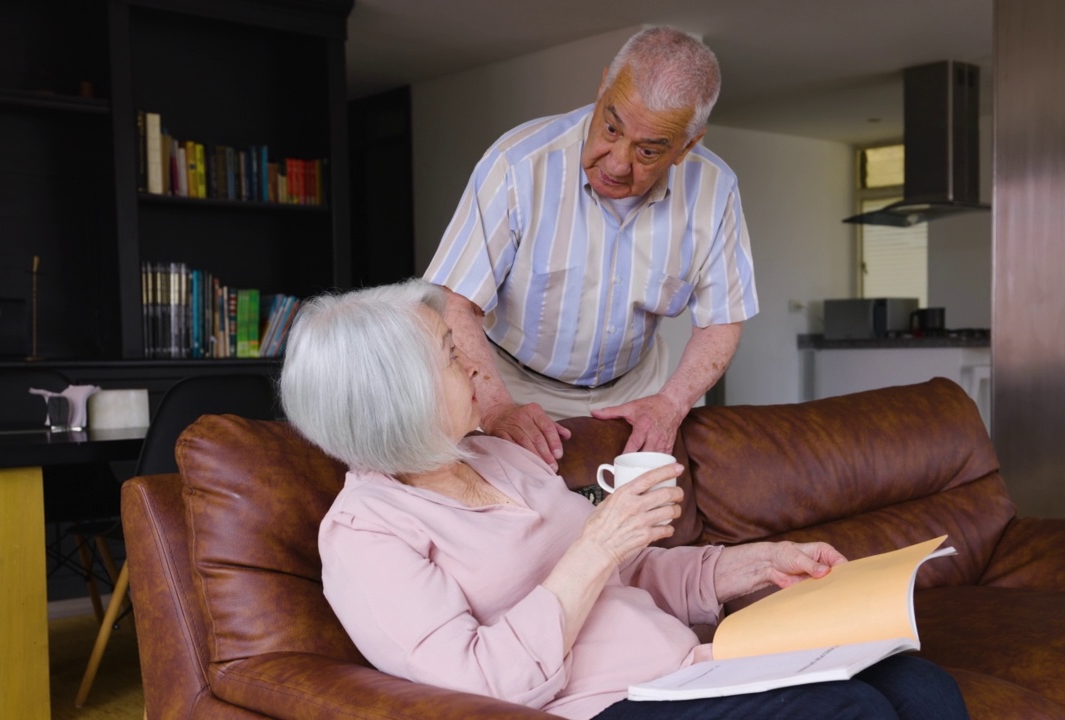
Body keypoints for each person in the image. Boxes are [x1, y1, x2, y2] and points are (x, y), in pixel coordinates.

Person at [279, 278, 970, 720]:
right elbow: (480, 684)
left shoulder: (498, 457)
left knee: (917, 685)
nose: (472, 364)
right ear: (395, 398)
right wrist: (595, 545)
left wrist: (749, 565)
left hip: (688, 669)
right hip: (605, 708)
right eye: (450, 356)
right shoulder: (368, 535)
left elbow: (630, 573)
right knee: (847, 712)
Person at [424, 26, 757, 471]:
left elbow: (722, 320)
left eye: (648, 151)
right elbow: (453, 301)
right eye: (611, 127)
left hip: (637, 392)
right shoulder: (517, 164)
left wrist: (672, 403)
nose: (618, 163)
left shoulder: (715, 190)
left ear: (687, 146)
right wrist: (497, 408)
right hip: (510, 385)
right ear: (603, 87)